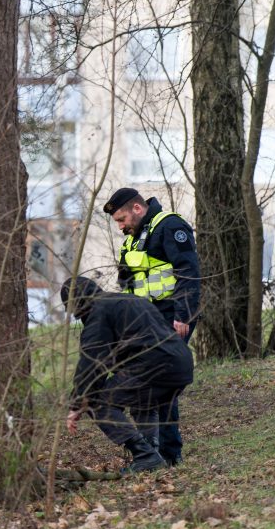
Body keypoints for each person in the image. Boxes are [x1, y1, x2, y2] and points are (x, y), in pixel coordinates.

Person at [102, 188, 200, 466]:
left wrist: (183, 315)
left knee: (162, 382)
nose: (121, 227)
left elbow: (188, 273)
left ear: (137, 208)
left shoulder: (170, 226)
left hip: (172, 318)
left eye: (122, 220)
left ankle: (169, 453)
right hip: (145, 323)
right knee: (149, 382)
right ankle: (153, 452)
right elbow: (126, 282)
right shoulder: (133, 240)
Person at [62, 277, 194, 474]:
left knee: (98, 402)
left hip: (154, 366)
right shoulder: (129, 300)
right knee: (144, 402)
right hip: (181, 364)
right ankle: (152, 457)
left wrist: (78, 403)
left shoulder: (99, 313)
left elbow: (92, 365)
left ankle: (145, 455)